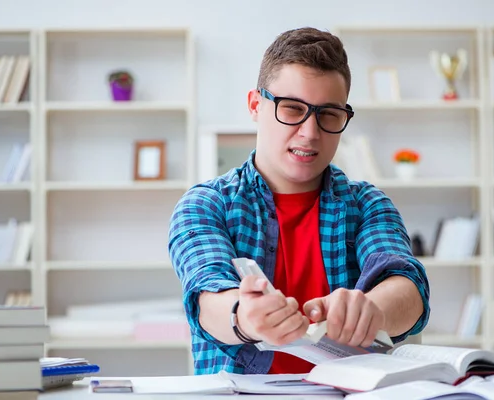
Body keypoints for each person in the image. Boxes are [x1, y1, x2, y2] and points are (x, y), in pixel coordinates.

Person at [168, 26, 430, 375]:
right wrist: (243, 317)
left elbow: (407, 288)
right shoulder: (205, 205)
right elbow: (206, 300)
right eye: (292, 109)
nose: (310, 132)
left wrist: (371, 309)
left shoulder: (368, 204)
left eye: (329, 115)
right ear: (255, 105)